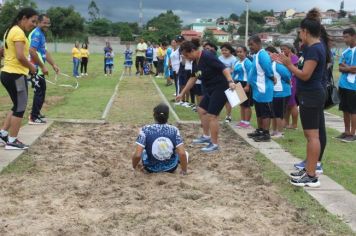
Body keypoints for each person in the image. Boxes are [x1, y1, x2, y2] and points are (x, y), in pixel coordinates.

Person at [274, 8, 328, 187]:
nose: (299, 36)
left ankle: (311, 175)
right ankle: (309, 169)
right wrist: (286, 61)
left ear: (305, 31)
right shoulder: (311, 48)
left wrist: (289, 65)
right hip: (309, 94)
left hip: (312, 95)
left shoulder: (315, 49)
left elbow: (305, 75)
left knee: (312, 136)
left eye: (300, 32)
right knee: (311, 135)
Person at [176, 40, 236, 153]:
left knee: (212, 115)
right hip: (210, 89)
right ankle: (206, 136)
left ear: (193, 50)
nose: (186, 58)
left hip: (220, 87)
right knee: (201, 109)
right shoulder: (195, 61)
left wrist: (230, 81)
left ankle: (214, 144)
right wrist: (182, 93)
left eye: (187, 55)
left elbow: (224, 68)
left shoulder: (207, 56)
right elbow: (193, 77)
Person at [0, 8, 38, 150]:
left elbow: (4, 51)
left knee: (17, 105)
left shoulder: (10, 30)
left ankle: (3, 134)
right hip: (15, 75)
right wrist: (31, 68)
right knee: (20, 107)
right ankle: (12, 141)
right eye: (32, 21)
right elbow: (21, 56)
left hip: (8, 74)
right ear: (23, 18)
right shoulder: (18, 32)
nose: (34, 24)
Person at [132, 103, 188, 174]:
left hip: (150, 169)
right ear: (167, 116)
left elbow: (137, 155)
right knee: (184, 153)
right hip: (171, 168)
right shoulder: (174, 130)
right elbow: (182, 154)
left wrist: (133, 167)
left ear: (154, 115)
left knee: (141, 151)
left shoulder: (145, 130)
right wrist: (184, 171)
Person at [28, 14, 60, 125]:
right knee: (39, 92)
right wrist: (42, 66)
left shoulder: (41, 34)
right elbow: (31, 51)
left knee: (42, 90)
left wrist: (53, 64)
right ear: (38, 22)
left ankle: (36, 113)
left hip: (39, 68)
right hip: (35, 68)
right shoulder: (36, 33)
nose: (47, 25)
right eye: (44, 22)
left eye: (48, 23)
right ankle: (33, 117)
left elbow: (45, 52)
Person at [247, 35, 275, 142]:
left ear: (259, 44)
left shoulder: (263, 55)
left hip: (264, 89)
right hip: (257, 89)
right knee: (259, 112)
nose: (250, 47)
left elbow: (268, 69)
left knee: (265, 113)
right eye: (249, 45)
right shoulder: (256, 55)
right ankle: (260, 130)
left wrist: (273, 78)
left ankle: (266, 134)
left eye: (252, 44)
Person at [265, 46, 291, 138]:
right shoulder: (269, 64)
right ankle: (274, 130)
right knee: (273, 113)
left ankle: (280, 132)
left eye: (269, 54)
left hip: (281, 92)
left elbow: (287, 76)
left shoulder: (278, 65)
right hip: (273, 92)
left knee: (279, 114)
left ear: (274, 54)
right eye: (266, 54)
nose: (267, 56)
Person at [337, 28, 356, 142]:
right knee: (345, 109)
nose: (345, 39)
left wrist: (347, 67)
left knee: (353, 110)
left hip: (353, 86)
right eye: (343, 37)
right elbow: (339, 67)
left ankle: (353, 134)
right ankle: (346, 131)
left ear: (354, 36)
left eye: (347, 37)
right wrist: (350, 68)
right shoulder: (345, 52)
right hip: (343, 84)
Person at [233, 46, 253, 128]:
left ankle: (247, 122)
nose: (239, 53)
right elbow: (234, 74)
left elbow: (250, 75)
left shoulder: (248, 62)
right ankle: (242, 120)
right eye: (237, 52)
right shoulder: (237, 62)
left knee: (247, 105)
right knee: (241, 104)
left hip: (245, 83)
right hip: (238, 83)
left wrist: (248, 86)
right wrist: (233, 83)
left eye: (241, 52)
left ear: (245, 52)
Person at [280, 43, 299, 130]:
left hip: (292, 81)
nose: (282, 51)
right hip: (285, 81)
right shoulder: (284, 57)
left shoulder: (294, 57)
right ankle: (286, 122)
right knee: (287, 103)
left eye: (284, 49)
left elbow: (293, 70)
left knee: (292, 103)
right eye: (281, 49)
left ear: (289, 49)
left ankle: (294, 124)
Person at [218, 43, 237, 123]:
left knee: (228, 100)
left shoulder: (233, 59)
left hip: (229, 81)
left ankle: (228, 116)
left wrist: (226, 71)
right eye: (222, 50)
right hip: (219, 80)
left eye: (226, 50)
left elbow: (234, 69)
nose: (224, 52)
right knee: (218, 98)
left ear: (230, 50)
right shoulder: (219, 58)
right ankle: (216, 114)